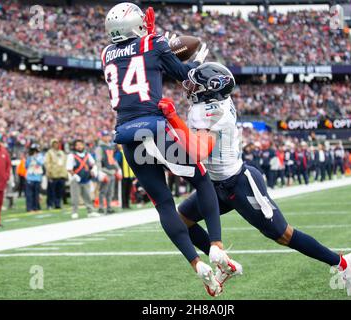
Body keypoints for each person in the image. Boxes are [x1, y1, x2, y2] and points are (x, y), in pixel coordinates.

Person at [162, 62, 351, 297]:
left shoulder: (214, 110)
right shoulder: (209, 102)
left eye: (197, 84)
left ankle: (343, 263)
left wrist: (173, 118)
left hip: (239, 183)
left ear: (211, 89)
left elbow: (198, 152)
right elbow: (185, 78)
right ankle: (224, 263)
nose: (190, 87)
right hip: (216, 184)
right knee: (182, 220)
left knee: (283, 235)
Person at [101, 3, 238, 296]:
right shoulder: (152, 42)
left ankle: (195, 263)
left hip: (126, 134)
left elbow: (135, 57)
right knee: (201, 178)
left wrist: (152, 39)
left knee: (163, 203)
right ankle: (215, 245)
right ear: (137, 25)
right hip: (153, 127)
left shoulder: (106, 54)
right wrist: (193, 56)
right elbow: (182, 74)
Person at [66, 139, 100, 219]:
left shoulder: (87, 154)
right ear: (74, 147)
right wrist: (75, 176)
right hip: (75, 180)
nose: (79, 146)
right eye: (77, 145)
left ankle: (90, 211)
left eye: (81, 144)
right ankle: (74, 212)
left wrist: (93, 171)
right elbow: (69, 168)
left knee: (87, 196)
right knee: (75, 197)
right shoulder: (71, 156)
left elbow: (93, 164)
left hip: (86, 178)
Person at [95, 131, 121, 214]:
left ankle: (109, 207)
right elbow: (98, 160)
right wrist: (100, 171)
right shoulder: (100, 147)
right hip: (105, 171)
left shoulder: (110, 146)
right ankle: (101, 207)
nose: (107, 137)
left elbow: (113, 159)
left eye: (108, 136)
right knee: (103, 191)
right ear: (102, 137)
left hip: (112, 171)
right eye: (105, 136)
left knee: (110, 192)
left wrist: (118, 169)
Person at [44, 139, 67, 210]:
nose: (56, 145)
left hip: (61, 174)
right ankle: (50, 204)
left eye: (57, 143)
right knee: (51, 191)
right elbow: (47, 163)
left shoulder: (62, 153)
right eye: (54, 143)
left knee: (59, 191)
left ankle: (58, 203)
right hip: (53, 174)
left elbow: (65, 163)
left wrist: (65, 173)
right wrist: (49, 172)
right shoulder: (49, 153)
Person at [25, 144, 45, 212]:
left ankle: (36, 207)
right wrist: (30, 158)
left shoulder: (41, 156)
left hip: (37, 177)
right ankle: (29, 208)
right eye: (33, 150)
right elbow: (26, 166)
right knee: (29, 194)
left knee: (36, 194)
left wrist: (35, 158)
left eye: (36, 150)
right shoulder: (29, 157)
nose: (35, 152)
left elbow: (41, 163)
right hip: (30, 177)